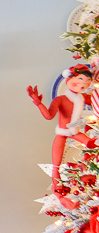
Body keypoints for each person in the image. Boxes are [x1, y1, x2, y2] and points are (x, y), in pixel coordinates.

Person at [28, 64, 98, 208]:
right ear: (70, 77)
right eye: (80, 79)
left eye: (86, 84)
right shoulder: (60, 99)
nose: (82, 85)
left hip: (76, 133)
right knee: (56, 166)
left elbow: (94, 100)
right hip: (62, 133)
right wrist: (38, 102)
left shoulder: (82, 97)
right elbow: (48, 116)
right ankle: (60, 195)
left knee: (92, 145)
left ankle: (87, 174)